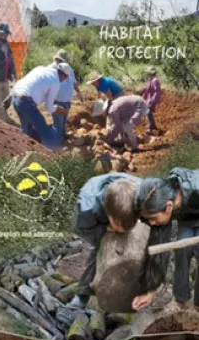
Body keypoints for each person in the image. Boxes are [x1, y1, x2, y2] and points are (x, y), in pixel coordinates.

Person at [69, 174, 158, 310]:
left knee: (146, 244)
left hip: (127, 202)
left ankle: (140, 285)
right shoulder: (86, 208)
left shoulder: (146, 197)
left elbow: (158, 237)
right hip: (99, 216)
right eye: (118, 225)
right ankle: (83, 293)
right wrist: (104, 229)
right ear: (109, 216)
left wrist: (152, 286)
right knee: (98, 248)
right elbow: (83, 232)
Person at [137, 169, 199, 312]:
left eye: (153, 218)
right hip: (188, 219)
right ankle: (180, 299)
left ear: (169, 207)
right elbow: (160, 248)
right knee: (181, 249)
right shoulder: (162, 197)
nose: (151, 223)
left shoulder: (196, 187)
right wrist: (151, 290)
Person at [8, 64, 70, 150]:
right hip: (26, 102)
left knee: (27, 130)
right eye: (66, 78)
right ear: (64, 76)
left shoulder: (40, 68)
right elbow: (48, 107)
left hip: (15, 97)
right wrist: (60, 110)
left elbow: (38, 90)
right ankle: (56, 152)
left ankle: (25, 149)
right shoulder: (55, 82)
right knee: (47, 133)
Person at [50, 50, 83, 141]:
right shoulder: (51, 69)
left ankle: (62, 137)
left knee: (63, 121)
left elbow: (74, 82)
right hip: (57, 101)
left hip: (67, 102)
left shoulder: (68, 69)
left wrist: (79, 93)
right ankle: (56, 142)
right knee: (58, 123)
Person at [142, 66, 162, 135]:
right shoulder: (150, 80)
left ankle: (150, 128)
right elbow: (147, 89)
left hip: (152, 100)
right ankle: (154, 127)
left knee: (148, 112)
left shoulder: (155, 80)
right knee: (148, 113)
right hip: (148, 99)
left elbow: (157, 92)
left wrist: (152, 101)